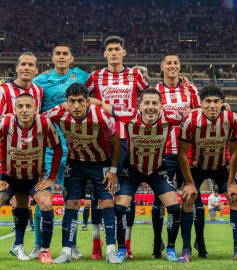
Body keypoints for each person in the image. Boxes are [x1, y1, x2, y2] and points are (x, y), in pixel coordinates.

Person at [91, 88, 183, 262]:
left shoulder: (171, 117)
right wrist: (88, 101)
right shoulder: (129, 115)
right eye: (146, 103)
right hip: (131, 169)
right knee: (119, 208)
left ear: (161, 107)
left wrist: (222, 107)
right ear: (139, 106)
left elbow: (193, 112)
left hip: (156, 169)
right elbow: (103, 105)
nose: (150, 107)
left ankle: (170, 248)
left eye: (154, 103)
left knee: (174, 209)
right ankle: (121, 249)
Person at [0, 93, 62, 265]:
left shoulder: (45, 123)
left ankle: (44, 251)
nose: (24, 110)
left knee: (46, 204)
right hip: (9, 177)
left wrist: (52, 177)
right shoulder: (5, 123)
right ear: (15, 109)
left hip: (33, 178)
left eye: (28, 106)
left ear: (35, 109)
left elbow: (58, 149)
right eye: (20, 106)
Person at [43, 83, 122, 264]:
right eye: (72, 101)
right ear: (66, 102)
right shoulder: (58, 112)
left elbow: (116, 143)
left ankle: (111, 251)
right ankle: (66, 251)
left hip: (100, 163)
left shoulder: (100, 115)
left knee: (107, 202)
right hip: (75, 163)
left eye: (80, 101)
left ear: (88, 101)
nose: (76, 106)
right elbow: (38, 120)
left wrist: (113, 170)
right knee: (71, 204)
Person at [86, 35, 149, 259]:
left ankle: (127, 244)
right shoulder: (95, 77)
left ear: (124, 52)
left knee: (126, 194)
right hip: (104, 140)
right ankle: (96, 245)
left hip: (131, 140)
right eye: (110, 49)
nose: (113, 52)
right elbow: (81, 98)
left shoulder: (135, 75)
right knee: (100, 193)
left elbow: (152, 95)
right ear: (104, 54)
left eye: (117, 49)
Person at [177, 85, 237, 262]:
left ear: (222, 103)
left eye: (216, 101)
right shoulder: (190, 120)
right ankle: (186, 249)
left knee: (236, 196)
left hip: (220, 167)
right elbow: (182, 152)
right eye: (208, 102)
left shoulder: (232, 119)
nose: (212, 105)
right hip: (195, 167)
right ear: (201, 103)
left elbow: (235, 152)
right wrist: (190, 183)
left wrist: (231, 183)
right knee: (188, 197)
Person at [0, 52, 44, 260]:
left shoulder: (38, 91)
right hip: (7, 157)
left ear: (36, 70)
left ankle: (18, 245)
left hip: (29, 157)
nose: (27, 68)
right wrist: (16, 119)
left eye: (31, 65)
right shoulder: (4, 90)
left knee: (22, 202)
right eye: (23, 64)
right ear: (17, 68)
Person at [151, 52, 202, 258]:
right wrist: (183, 114)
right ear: (162, 67)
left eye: (176, 63)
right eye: (168, 63)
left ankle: (195, 243)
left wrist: (191, 113)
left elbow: (200, 113)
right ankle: (157, 243)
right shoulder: (155, 90)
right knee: (158, 200)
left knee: (192, 198)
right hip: (163, 153)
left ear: (179, 67)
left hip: (187, 153)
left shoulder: (190, 88)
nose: (172, 66)